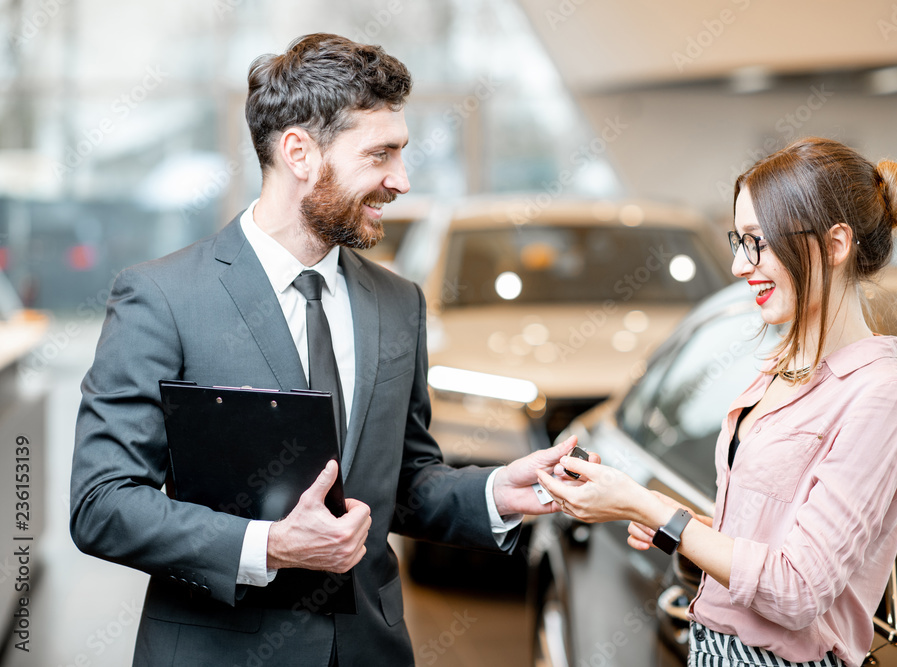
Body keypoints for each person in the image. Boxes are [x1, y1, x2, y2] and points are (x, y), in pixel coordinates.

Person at [70, 33, 582, 667]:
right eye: (380, 154)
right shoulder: (162, 298)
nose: (402, 179)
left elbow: (401, 480)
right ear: (299, 153)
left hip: (372, 648)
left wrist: (496, 491)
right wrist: (270, 545)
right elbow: (104, 503)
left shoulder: (399, 303)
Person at [536, 137, 897, 667]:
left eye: (758, 242)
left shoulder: (881, 396)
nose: (737, 265)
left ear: (837, 244)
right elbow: (764, 540)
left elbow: (797, 589)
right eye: (738, 240)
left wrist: (648, 506)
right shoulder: (782, 366)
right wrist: (674, 528)